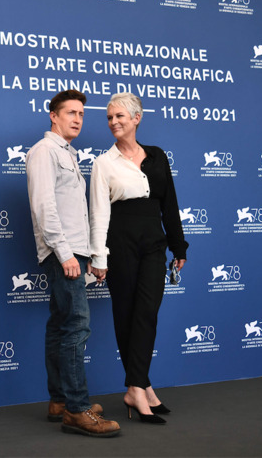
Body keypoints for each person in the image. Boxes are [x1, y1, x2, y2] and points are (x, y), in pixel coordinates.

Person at [26, 90, 121, 438]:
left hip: (74, 250)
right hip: (62, 252)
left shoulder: (69, 153)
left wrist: (91, 254)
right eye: (70, 112)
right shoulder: (44, 151)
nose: (78, 118)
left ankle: (60, 402)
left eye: (81, 113)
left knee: (61, 325)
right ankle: (78, 410)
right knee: (76, 326)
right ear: (53, 115)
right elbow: (44, 206)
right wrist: (66, 253)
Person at [89, 92, 188, 425]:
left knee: (147, 312)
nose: (114, 122)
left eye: (120, 116)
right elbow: (99, 214)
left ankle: (138, 385)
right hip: (120, 243)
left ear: (136, 118)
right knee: (126, 315)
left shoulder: (157, 156)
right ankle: (139, 387)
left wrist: (179, 246)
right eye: (109, 117)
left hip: (153, 243)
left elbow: (169, 204)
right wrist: (99, 257)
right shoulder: (104, 163)